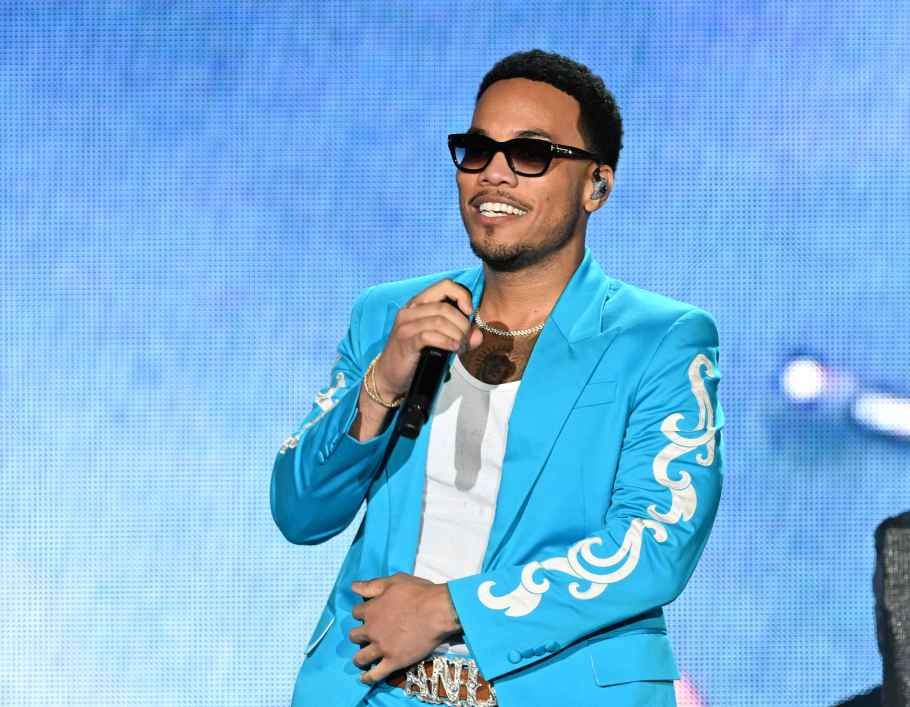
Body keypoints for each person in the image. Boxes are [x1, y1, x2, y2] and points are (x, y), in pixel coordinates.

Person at [271, 49, 724, 707]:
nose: (494, 175)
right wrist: (383, 381)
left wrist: (448, 609)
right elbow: (299, 511)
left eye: (531, 154)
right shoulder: (391, 316)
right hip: (372, 689)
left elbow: (654, 545)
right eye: (477, 150)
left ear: (597, 184)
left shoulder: (659, 339)